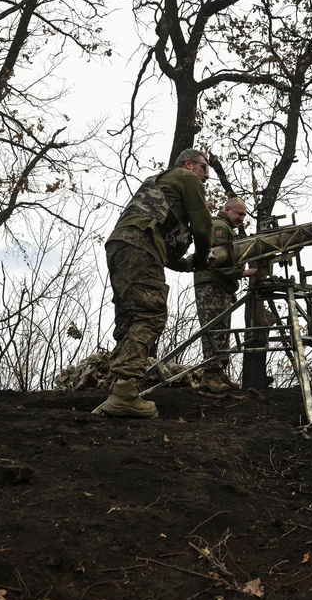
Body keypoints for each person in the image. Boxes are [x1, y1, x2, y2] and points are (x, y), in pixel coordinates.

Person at [93, 148, 213, 418]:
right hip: (141, 246)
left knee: (129, 314)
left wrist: (189, 263)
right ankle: (124, 391)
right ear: (189, 164)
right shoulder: (187, 178)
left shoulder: (159, 186)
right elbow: (203, 226)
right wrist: (204, 257)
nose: (206, 177)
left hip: (120, 245)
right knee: (151, 313)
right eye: (205, 168)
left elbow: (162, 247)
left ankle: (116, 385)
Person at [193, 197, 258, 394]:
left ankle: (218, 373)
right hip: (211, 284)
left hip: (219, 284)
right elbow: (217, 259)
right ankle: (210, 375)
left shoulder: (226, 228)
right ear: (227, 209)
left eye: (244, 215)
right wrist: (240, 273)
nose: (242, 219)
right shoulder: (219, 226)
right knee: (214, 329)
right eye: (239, 214)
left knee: (221, 329)